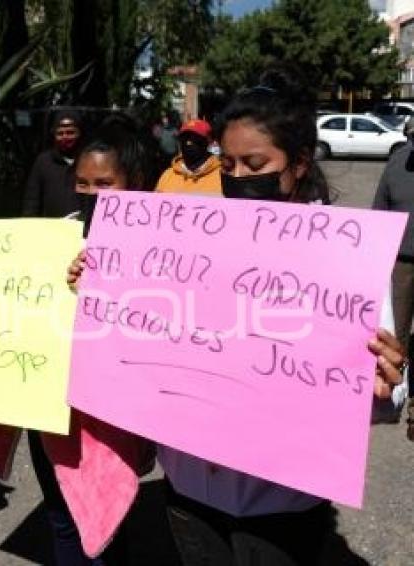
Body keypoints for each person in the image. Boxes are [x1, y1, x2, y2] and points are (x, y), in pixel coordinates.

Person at [67, 66, 407, 565]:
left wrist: (387, 385)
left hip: (282, 504)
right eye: (228, 164)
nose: (239, 178)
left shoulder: (344, 258)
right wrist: (95, 284)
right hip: (188, 491)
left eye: (255, 163)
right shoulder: (186, 240)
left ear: (298, 164)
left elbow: (385, 396)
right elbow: (141, 327)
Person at [0, 114, 159, 565]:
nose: (91, 193)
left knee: (105, 524)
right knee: (60, 515)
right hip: (50, 404)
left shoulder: (159, 243)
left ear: (134, 181)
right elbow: (9, 271)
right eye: (82, 182)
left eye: (104, 183)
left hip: (110, 414)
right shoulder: (60, 234)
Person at [372, 117, 414, 435]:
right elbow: (379, 212)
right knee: (394, 335)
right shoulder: (398, 161)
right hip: (401, 262)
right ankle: (397, 390)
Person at [22, 108, 84, 217]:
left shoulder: (89, 161)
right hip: (52, 228)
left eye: (70, 132)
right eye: (60, 133)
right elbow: (32, 201)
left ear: (79, 133)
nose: (65, 137)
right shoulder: (43, 162)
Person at [155, 118, 222, 196]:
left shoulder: (222, 176)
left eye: (195, 138)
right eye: (184, 138)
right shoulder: (167, 175)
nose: (188, 142)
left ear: (208, 141)